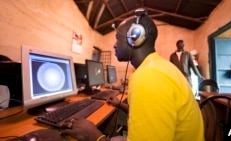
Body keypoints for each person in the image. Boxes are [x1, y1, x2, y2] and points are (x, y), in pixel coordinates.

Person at [61, 8, 204, 141]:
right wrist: (119, 104)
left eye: (118, 38)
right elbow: (151, 115)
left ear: (135, 37)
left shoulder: (149, 76)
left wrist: (95, 136)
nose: (114, 45)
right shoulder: (158, 66)